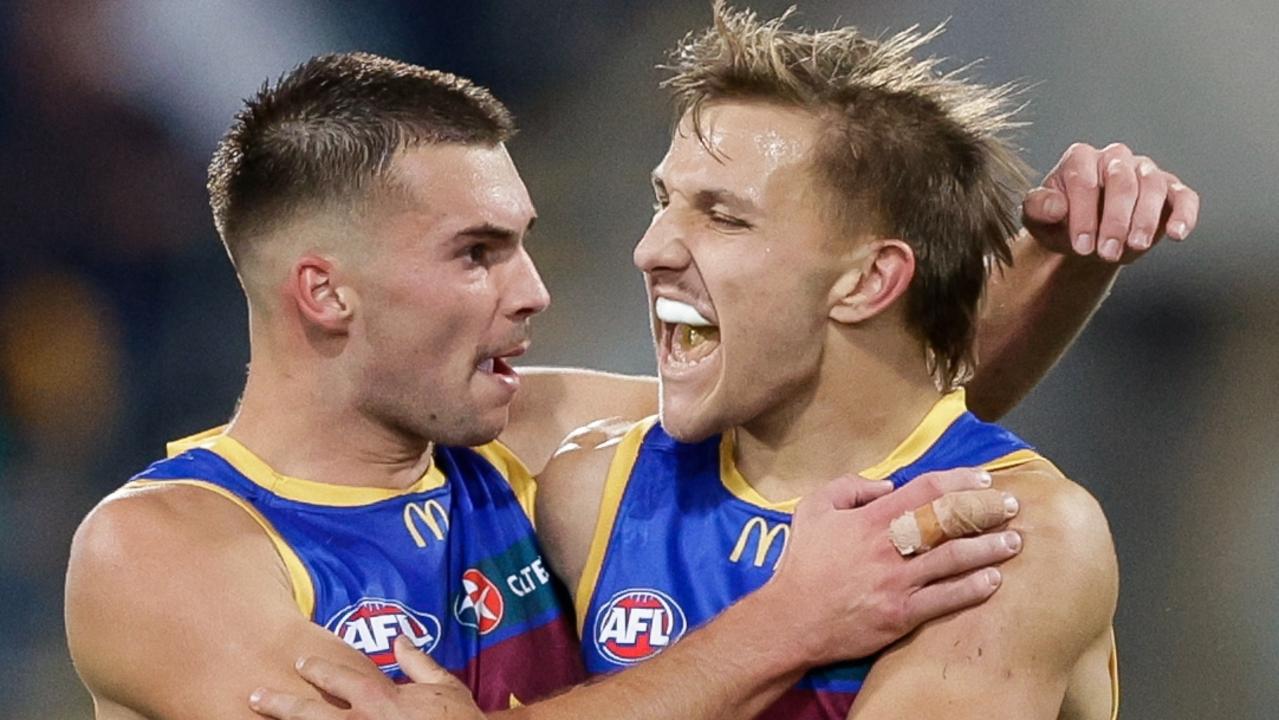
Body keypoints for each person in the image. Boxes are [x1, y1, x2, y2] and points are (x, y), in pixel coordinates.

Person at [64, 24, 1195, 720]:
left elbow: (861, 416)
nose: (536, 289)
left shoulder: (533, 442)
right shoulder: (169, 554)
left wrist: (1054, 266)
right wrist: (784, 625)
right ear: (325, 291)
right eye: (475, 253)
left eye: (521, 238)